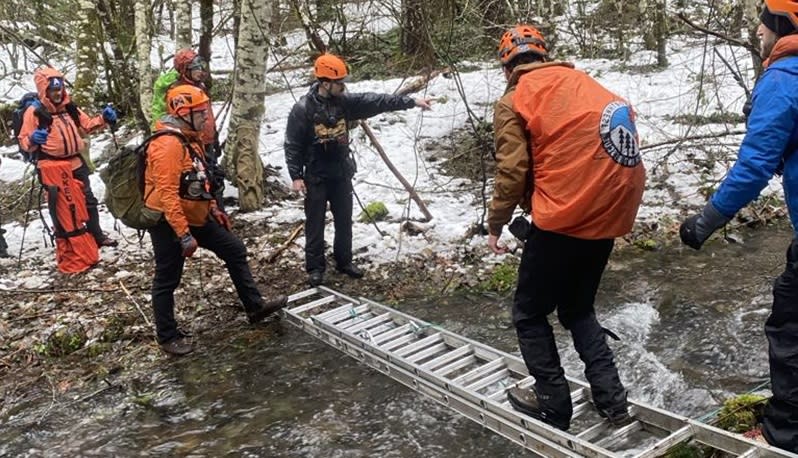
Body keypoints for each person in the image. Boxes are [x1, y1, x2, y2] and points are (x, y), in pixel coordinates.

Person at [487, 25, 646, 431]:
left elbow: (512, 170)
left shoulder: (514, 99)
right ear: (544, 55)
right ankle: (613, 402)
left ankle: (552, 403)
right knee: (577, 308)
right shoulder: (585, 83)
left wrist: (496, 222)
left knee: (528, 312)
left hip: (562, 218)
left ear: (508, 67)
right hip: (607, 214)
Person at [679, 1, 798, 452]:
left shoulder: (785, 79)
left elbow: (754, 165)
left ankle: (782, 436)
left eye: (763, 26)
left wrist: (706, 221)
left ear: (781, 27)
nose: (758, 33)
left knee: (790, 330)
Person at [145, 84, 287, 356]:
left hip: (195, 214)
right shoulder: (167, 145)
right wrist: (184, 234)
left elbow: (199, 179)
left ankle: (254, 306)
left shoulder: (191, 138)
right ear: (183, 112)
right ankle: (167, 336)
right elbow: (167, 195)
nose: (206, 118)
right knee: (167, 278)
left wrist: (212, 208)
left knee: (234, 249)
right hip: (168, 221)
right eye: (200, 112)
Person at [284, 53, 432, 287]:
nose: (343, 86)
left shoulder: (345, 102)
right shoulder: (302, 109)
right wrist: (296, 176)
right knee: (315, 223)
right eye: (339, 82)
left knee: (344, 220)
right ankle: (315, 268)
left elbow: (378, 101)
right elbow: (292, 144)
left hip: (341, 172)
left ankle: (344, 261)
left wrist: (412, 102)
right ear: (324, 83)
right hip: (316, 175)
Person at [18, 67, 118, 247]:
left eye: (59, 89)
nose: (57, 93)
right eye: (53, 90)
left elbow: (86, 126)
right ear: (44, 90)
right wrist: (32, 139)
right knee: (62, 205)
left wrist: (103, 118)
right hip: (51, 165)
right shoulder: (34, 112)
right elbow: (23, 140)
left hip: (75, 162)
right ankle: (69, 239)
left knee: (88, 199)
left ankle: (97, 235)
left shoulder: (69, 107)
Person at [152, 48, 225, 208]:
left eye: (201, 68)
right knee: (201, 183)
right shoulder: (178, 93)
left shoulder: (200, 87)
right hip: (192, 144)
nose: (200, 72)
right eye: (196, 69)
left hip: (207, 141)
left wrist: (214, 138)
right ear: (185, 70)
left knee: (215, 181)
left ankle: (217, 216)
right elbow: (181, 122)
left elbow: (207, 116)